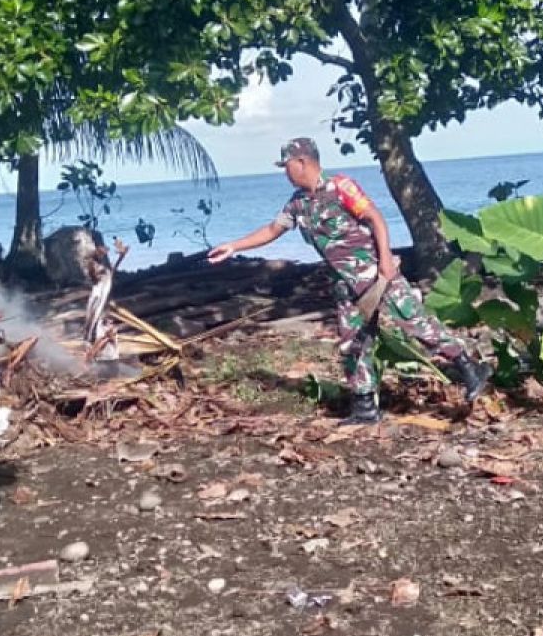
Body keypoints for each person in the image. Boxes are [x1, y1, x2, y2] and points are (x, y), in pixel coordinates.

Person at [209, 137, 492, 423]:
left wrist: (385, 260)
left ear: (303, 162)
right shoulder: (297, 204)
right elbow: (271, 230)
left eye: (287, 166)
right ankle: (365, 408)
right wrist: (234, 246)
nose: (285, 172)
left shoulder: (341, 186)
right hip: (345, 285)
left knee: (416, 325)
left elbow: (376, 219)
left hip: (376, 276)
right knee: (353, 345)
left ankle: (470, 369)